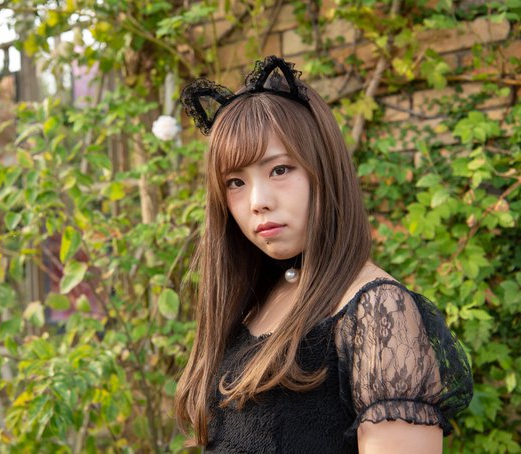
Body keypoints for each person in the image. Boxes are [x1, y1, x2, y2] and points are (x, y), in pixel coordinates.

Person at [174, 56, 473, 453]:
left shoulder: (379, 312)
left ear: (324, 168)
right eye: (235, 182)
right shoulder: (258, 298)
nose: (258, 201)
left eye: (280, 170)